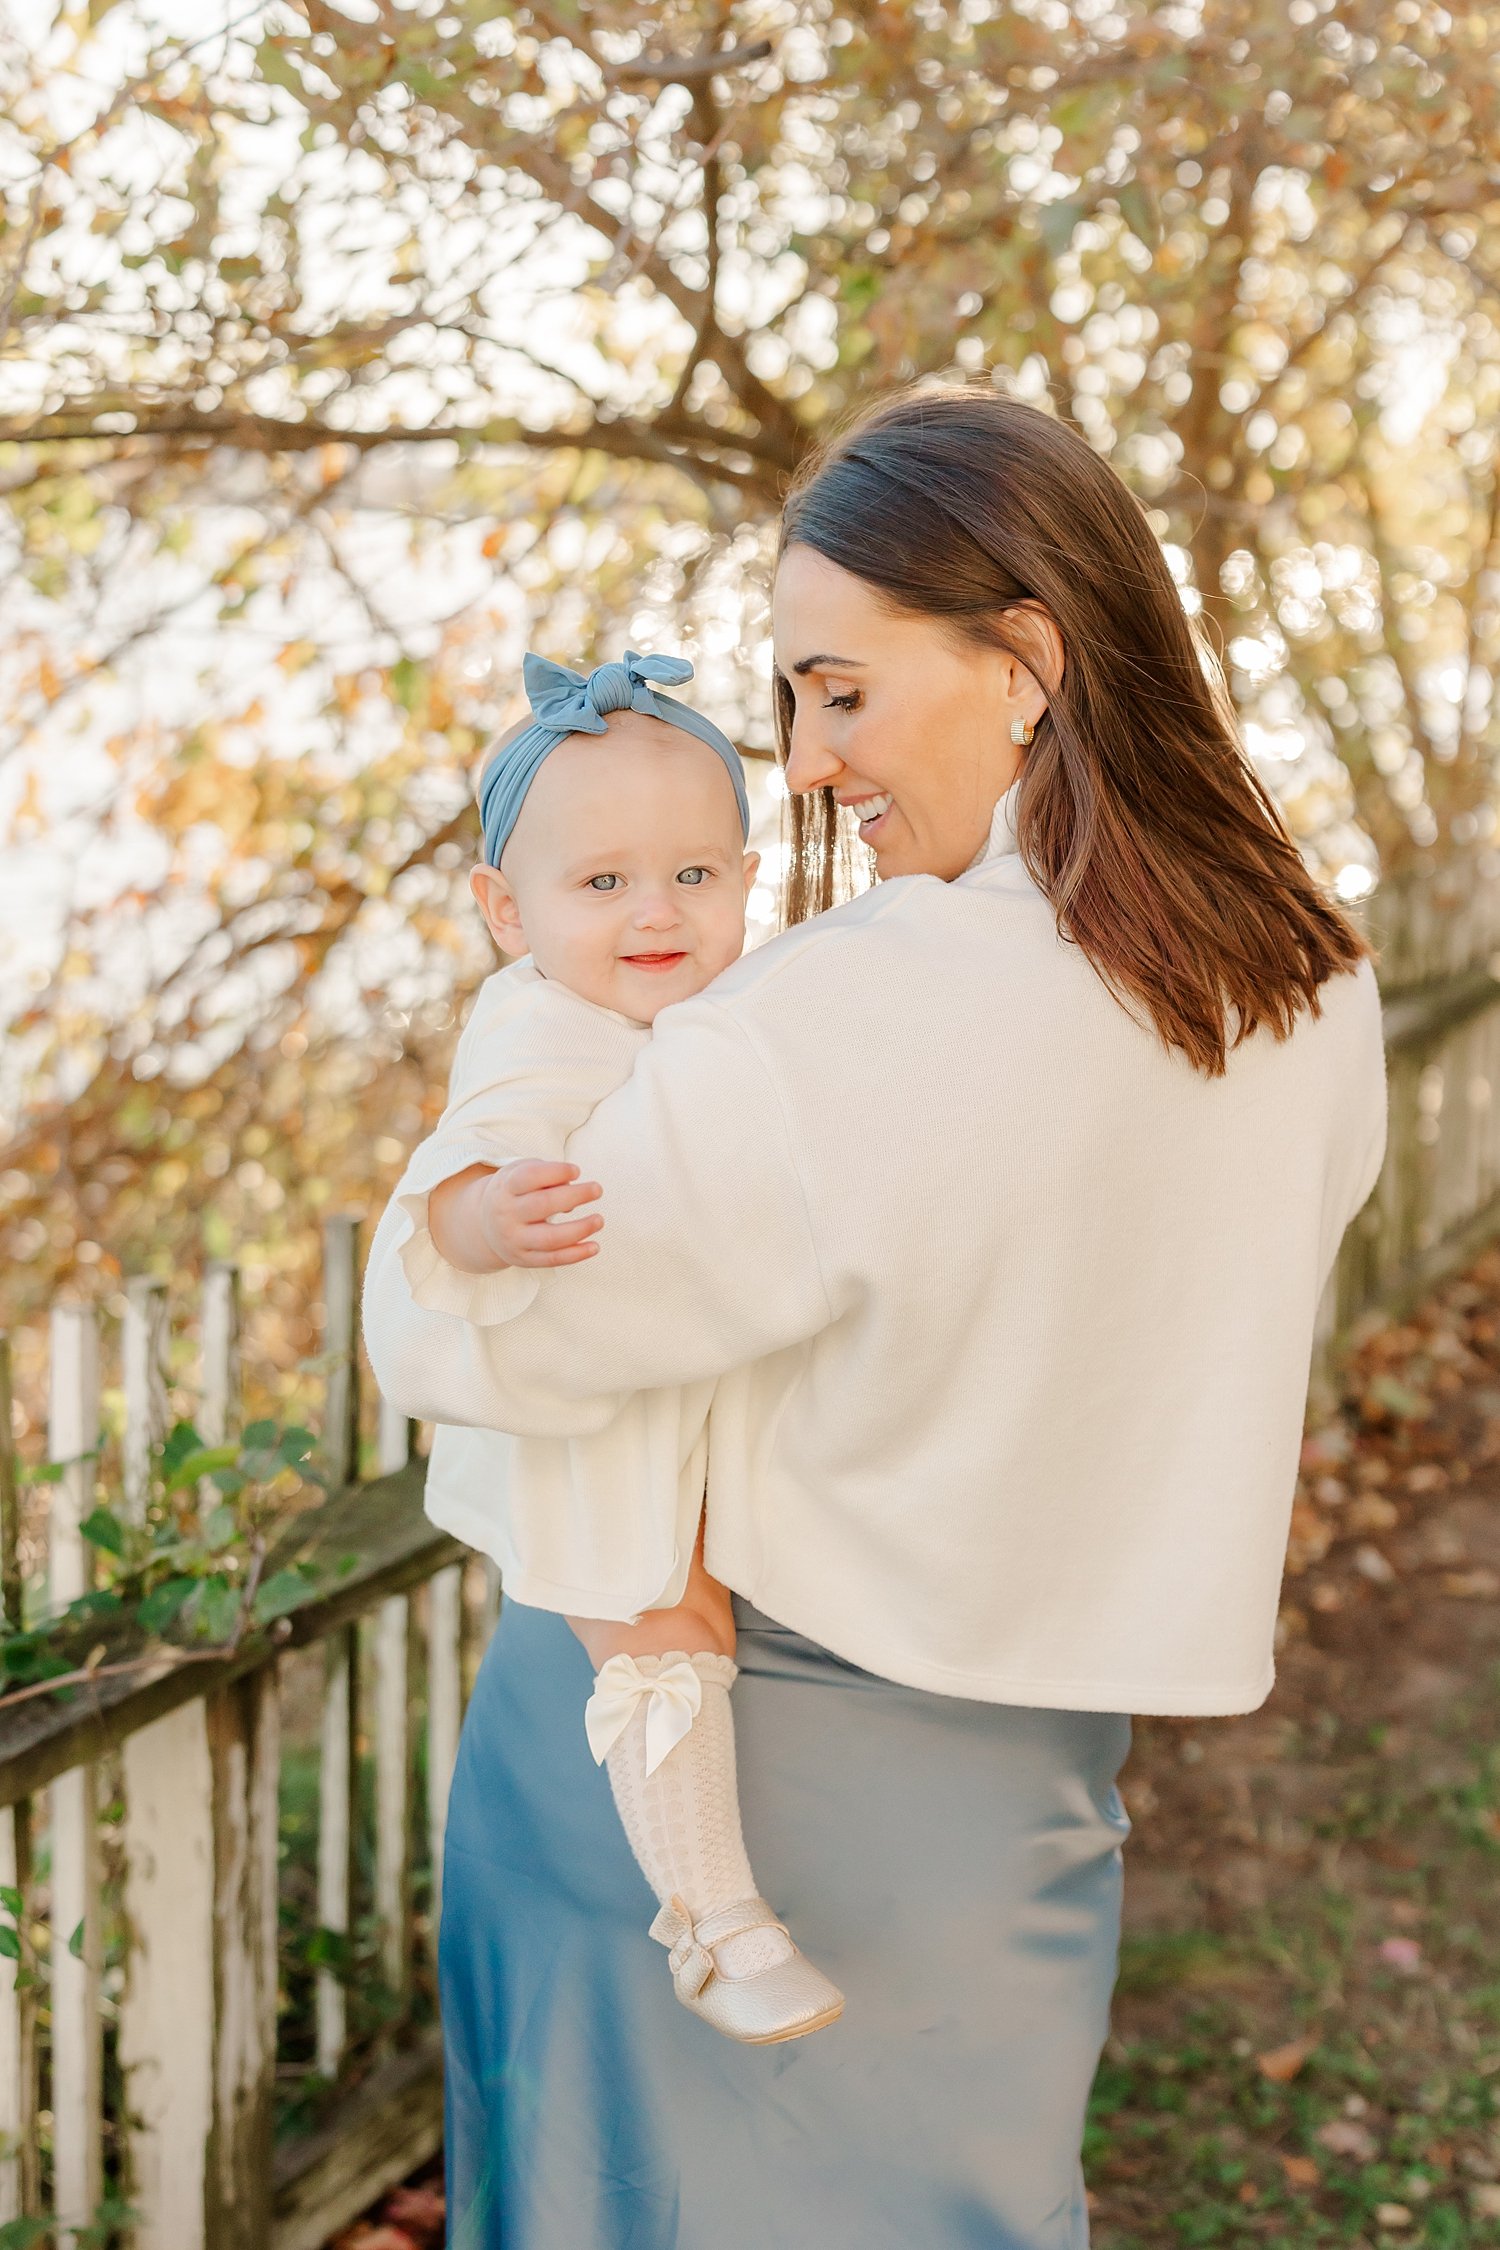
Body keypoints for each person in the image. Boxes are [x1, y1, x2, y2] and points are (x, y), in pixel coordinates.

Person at [363, 381, 1389, 2250]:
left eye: (843, 688)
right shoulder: (1310, 984)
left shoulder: (833, 1020)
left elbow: (470, 1341)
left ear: (1026, 660)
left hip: (707, 1786)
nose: (814, 760)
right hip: (1027, 1823)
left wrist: (457, 1197)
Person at [395, 646, 843, 2044]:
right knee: (661, 1631)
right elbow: (448, 1181)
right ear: (502, 908)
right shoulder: (537, 1021)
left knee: (702, 1600)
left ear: (745, 875)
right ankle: (714, 1921)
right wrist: (492, 1221)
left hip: (681, 1393)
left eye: (696, 876)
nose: (657, 913)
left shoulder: (730, 1003)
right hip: (576, 1433)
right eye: (602, 884)